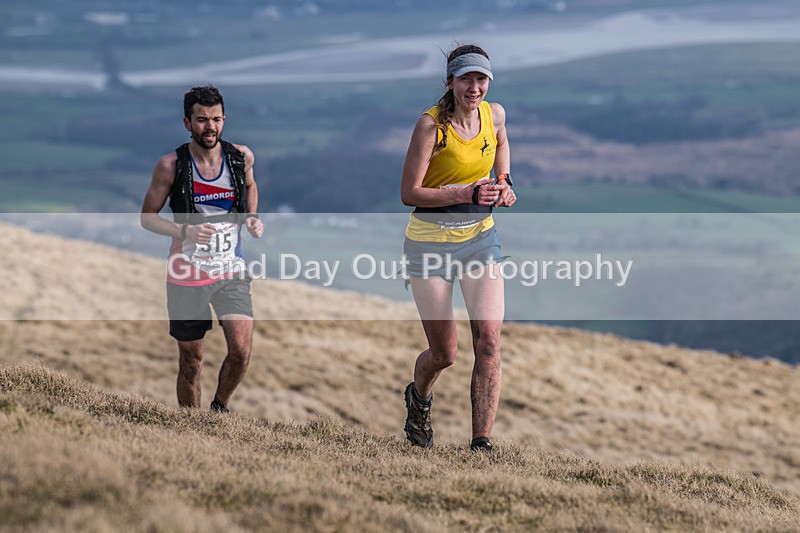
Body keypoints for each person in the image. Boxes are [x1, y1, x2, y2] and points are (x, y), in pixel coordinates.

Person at [400, 44, 516, 451]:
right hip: (429, 244)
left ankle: (480, 443)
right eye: (466, 78)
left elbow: (501, 141)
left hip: (480, 239)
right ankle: (419, 399)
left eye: (481, 78)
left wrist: (504, 181)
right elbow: (408, 192)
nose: (474, 87)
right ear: (449, 82)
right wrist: (464, 190)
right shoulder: (431, 126)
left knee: (488, 339)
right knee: (444, 352)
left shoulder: (494, 113)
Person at [140, 85, 264, 413]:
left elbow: (251, 185)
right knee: (192, 361)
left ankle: (219, 408)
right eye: (202, 120)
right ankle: (192, 425)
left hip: (230, 270)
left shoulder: (240, 157)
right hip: (186, 274)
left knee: (241, 350)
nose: (210, 127)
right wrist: (186, 230)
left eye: (216, 119)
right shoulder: (171, 165)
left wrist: (251, 217)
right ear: (187, 123)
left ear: (224, 120)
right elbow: (147, 218)